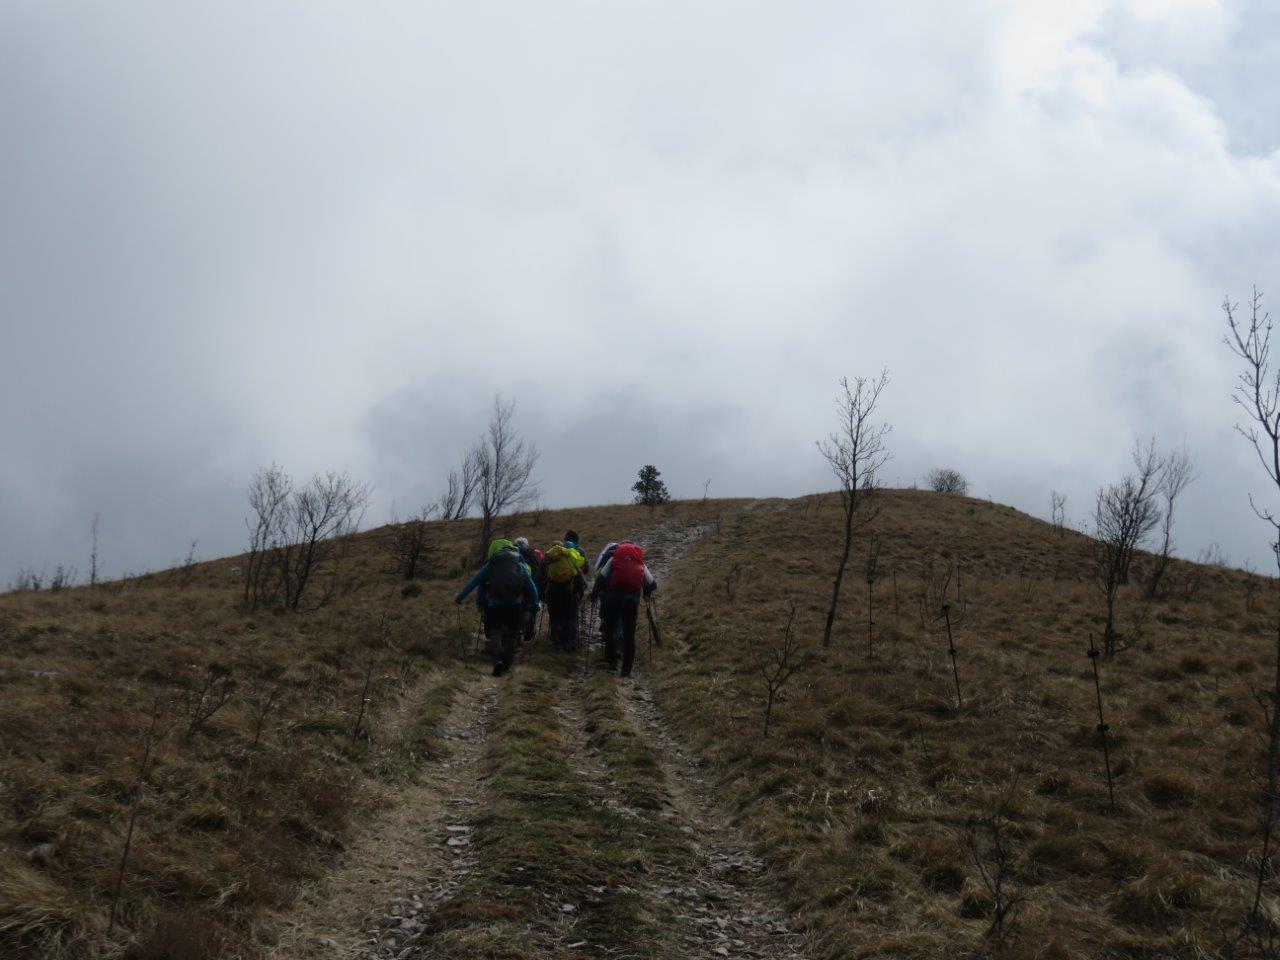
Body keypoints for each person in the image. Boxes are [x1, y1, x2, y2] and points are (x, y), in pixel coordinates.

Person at [456, 540, 539, 677]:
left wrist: (460, 597)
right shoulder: (519, 564)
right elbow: (531, 587)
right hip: (515, 604)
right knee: (512, 634)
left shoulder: (492, 564)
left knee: (495, 632)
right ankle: (506, 665)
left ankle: (497, 662)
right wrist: (535, 604)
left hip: (494, 604)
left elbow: (475, 581)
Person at [590, 541, 657, 678]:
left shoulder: (613, 559)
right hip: (632, 600)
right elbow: (652, 584)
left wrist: (594, 595)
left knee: (609, 629)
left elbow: (600, 579)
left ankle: (612, 662)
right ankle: (626, 670)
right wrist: (646, 594)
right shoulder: (640, 563)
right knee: (629, 634)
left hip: (614, 598)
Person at [542, 531, 588, 651]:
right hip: (568, 591)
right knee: (570, 616)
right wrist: (582, 591)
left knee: (555, 617)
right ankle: (570, 643)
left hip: (552, 591)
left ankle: (557, 644)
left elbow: (542, 576)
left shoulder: (548, 559)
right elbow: (580, 575)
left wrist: (542, 594)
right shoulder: (569, 556)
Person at [513, 536, 543, 645]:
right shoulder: (532, 553)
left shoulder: (513, 553)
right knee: (530, 610)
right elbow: (538, 571)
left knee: (515, 611)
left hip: (515, 588)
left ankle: (516, 635)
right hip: (530, 587)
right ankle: (528, 635)